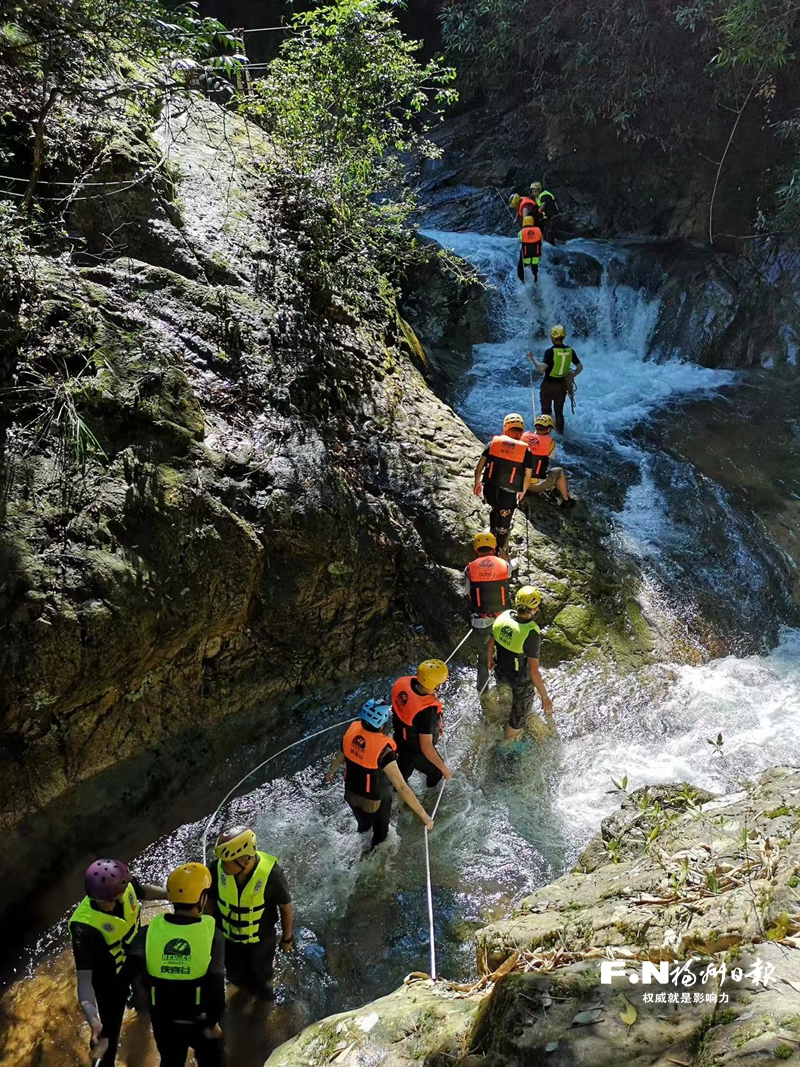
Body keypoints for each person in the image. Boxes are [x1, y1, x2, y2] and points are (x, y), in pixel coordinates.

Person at [69, 859, 168, 1066]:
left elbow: (144, 892)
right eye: (103, 901)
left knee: (148, 998)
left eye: (113, 899)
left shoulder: (124, 884)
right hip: (109, 980)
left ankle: (142, 1018)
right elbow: (85, 980)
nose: (110, 905)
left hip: (134, 959)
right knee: (107, 1038)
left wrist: (172, 894)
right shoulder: (84, 927)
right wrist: (93, 1021)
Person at [130, 862, 225, 1067]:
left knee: (171, 1061)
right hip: (200, 1020)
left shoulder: (147, 932)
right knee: (213, 1061)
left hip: (163, 1021)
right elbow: (216, 982)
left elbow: (133, 975)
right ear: (201, 898)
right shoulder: (212, 934)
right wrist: (213, 1022)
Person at [328, 699, 435, 848]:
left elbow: (339, 756)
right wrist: (425, 816)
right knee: (381, 835)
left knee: (363, 827)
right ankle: (371, 857)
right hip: (375, 801)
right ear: (383, 724)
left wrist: (331, 771)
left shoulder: (351, 733)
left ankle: (363, 842)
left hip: (351, 794)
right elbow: (401, 787)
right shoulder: (384, 752)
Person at [207, 826, 293, 1001]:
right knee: (234, 974)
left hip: (260, 941)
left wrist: (287, 939)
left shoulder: (272, 875)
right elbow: (210, 901)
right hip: (229, 939)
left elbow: (285, 906)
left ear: (245, 860)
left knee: (260, 977)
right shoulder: (217, 869)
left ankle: (261, 996)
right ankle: (241, 990)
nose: (222, 865)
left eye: (227, 861)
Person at [488, 586, 554, 750]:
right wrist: (544, 696)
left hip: (500, 669)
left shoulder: (503, 616)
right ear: (535, 609)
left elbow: (491, 641)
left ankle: (501, 712)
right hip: (519, 678)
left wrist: (489, 659)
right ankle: (506, 745)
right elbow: (534, 671)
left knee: (505, 692)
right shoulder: (531, 632)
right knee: (520, 712)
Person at [473, 412, 535, 556]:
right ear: (521, 432)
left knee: (494, 508)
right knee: (504, 524)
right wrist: (523, 491)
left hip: (490, 488)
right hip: (509, 491)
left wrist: (477, 483)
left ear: (505, 429)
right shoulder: (526, 451)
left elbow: (479, 467)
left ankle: (492, 531)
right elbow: (527, 476)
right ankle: (499, 550)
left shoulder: (493, 443)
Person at [464, 531, 513, 693]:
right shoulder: (503, 565)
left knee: (483, 658)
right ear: (493, 548)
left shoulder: (469, 569)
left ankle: (483, 690)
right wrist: (502, 554)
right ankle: (504, 685)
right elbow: (510, 568)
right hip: (503, 619)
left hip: (481, 620)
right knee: (506, 653)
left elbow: (466, 591)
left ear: (476, 550)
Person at [391, 660, 453, 789]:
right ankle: (429, 797)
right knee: (436, 772)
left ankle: (397, 794)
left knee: (401, 774)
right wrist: (444, 769)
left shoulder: (401, 683)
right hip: (416, 751)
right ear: (435, 685)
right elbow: (426, 747)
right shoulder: (426, 712)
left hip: (399, 740)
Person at [527, 326, 583, 434]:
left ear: (552, 338)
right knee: (559, 412)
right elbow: (580, 367)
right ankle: (560, 433)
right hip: (561, 386)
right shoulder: (570, 351)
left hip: (548, 385)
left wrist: (532, 358)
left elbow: (541, 369)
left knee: (546, 411)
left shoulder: (550, 352)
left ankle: (545, 435)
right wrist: (573, 374)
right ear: (563, 337)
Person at [521, 414, 576, 508]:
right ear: (549, 429)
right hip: (534, 485)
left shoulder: (523, 437)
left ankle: (551, 489)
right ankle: (566, 500)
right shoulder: (550, 443)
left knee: (539, 465)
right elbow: (548, 458)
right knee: (559, 471)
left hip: (520, 481)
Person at [518, 215, 543, 283]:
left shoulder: (521, 232)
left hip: (525, 257)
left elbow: (519, 241)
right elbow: (541, 243)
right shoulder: (538, 231)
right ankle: (535, 281)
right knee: (534, 269)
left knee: (520, 268)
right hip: (536, 257)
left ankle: (522, 281)